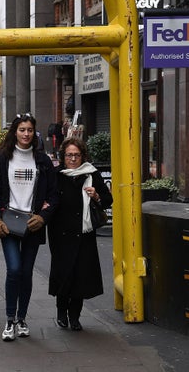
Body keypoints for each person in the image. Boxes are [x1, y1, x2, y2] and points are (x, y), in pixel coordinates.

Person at [0, 113, 58, 341]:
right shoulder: (3, 159)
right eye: (21, 130)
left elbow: (54, 195)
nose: (26, 134)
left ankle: (22, 318)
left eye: (29, 130)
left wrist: (43, 217)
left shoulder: (43, 161)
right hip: (8, 224)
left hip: (32, 225)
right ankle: (9, 320)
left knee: (26, 273)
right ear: (14, 132)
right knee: (14, 269)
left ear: (34, 133)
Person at [48, 137, 113, 331]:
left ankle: (75, 317)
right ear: (63, 156)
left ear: (82, 155)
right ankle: (61, 312)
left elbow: (109, 200)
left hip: (84, 234)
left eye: (77, 155)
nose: (73, 159)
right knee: (63, 273)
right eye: (69, 155)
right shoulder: (56, 175)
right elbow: (46, 199)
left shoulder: (92, 174)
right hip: (60, 233)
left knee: (80, 276)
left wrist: (97, 196)